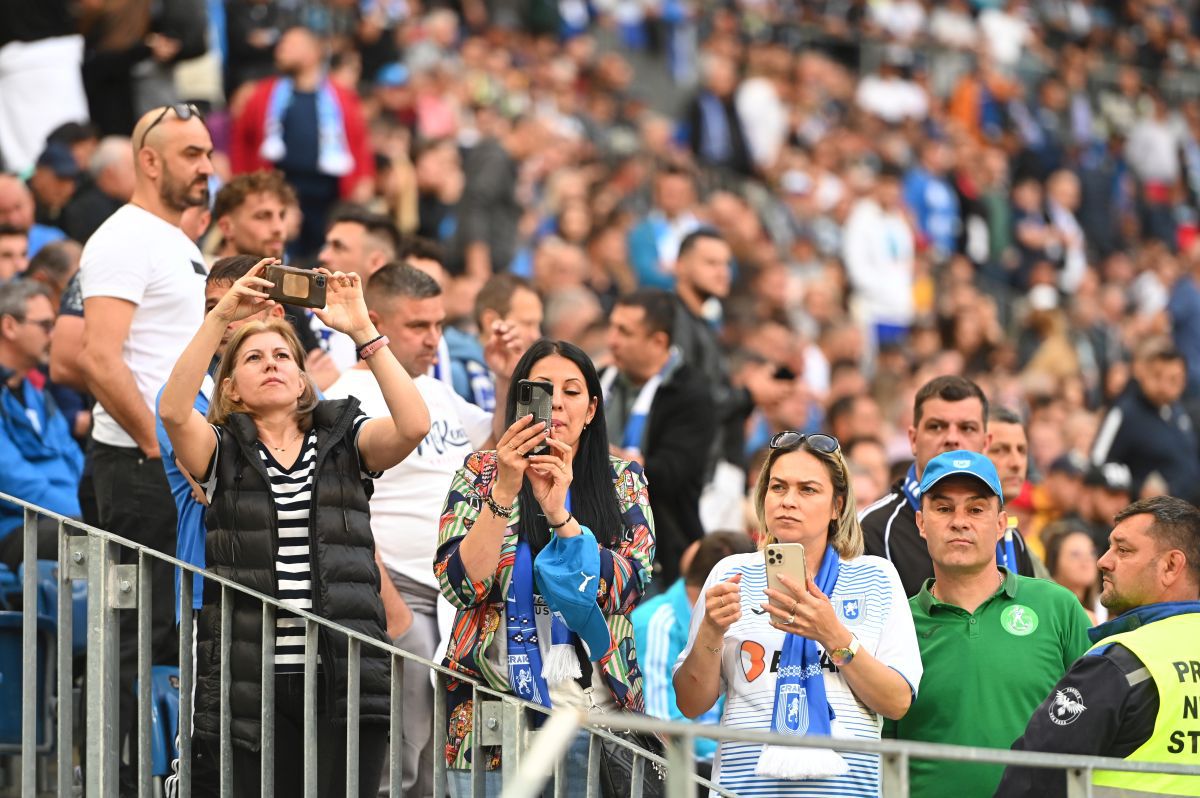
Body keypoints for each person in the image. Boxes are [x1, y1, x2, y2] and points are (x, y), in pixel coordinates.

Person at [159, 262, 429, 797]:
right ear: (231, 388)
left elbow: (413, 425)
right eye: (254, 358)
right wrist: (222, 319)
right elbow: (172, 411)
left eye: (283, 355)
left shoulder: (344, 437)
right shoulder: (223, 449)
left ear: (304, 379)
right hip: (250, 680)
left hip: (343, 675)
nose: (272, 364)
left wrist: (363, 333)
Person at [325, 262, 519, 798]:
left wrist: (504, 377)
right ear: (375, 320)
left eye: (438, 324)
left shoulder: (432, 390)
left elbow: (491, 453)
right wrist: (391, 605)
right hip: (399, 591)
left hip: (458, 593)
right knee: (400, 762)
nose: (434, 339)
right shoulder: (343, 396)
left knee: (446, 764)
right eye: (417, 327)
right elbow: (339, 510)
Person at [434, 339, 655, 796]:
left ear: (592, 409)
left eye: (572, 391)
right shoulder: (479, 473)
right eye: (543, 388)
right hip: (489, 720)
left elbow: (627, 588)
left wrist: (560, 517)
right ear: (520, 399)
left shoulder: (623, 481)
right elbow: (460, 586)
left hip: (596, 719)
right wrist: (505, 490)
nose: (556, 401)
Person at [77, 104, 213, 787]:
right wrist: (156, 446)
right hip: (140, 463)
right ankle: (123, 777)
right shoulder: (124, 237)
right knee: (146, 634)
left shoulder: (173, 241)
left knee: (174, 632)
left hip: (171, 459)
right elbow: (97, 358)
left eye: (209, 151)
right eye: (193, 153)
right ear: (151, 160)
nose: (208, 166)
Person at [674, 431, 922, 796]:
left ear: (838, 506)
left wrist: (833, 636)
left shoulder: (876, 576)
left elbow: (898, 702)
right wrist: (711, 632)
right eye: (778, 487)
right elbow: (691, 703)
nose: (788, 501)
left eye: (807, 489)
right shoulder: (730, 573)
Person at [884, 450, 1091, 798]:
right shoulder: (895, 622)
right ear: (921, 523)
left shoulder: (1058, 606)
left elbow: (1096, 720)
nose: (959, 521)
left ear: (1000, 524)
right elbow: (883, 746)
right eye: (944, 508)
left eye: (976, 509)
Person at [996, 496, 1200, 797]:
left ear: (1171, 566)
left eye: (1124, 550)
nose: (1103, 561)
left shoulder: (1120, 662)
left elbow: (1033, 778)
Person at [861, 376, 1037, 597]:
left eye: (967, 428)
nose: (952, 438)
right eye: (936, 427)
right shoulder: (873, 530)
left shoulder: (1010, 537)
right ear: (913, 439)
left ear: (986, 443)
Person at [671, 228, 791, 532]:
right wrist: (749, 393)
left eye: (726, 264)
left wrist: (749, 395)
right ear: (681, 265)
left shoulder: (704, 326)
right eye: (710, 263)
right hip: (699, 475)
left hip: (718, 471)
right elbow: (688, 402)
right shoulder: (674, 320)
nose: (722, 272)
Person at [602, 288, 715, 586]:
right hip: (597, 540)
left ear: (658, 342)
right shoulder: (600, 380)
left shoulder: (691, 393)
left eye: (624, 332)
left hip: (660, 557)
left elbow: (672, 474)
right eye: (611, 327)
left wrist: (601, 455)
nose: (611, 340)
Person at [231, 27, 374, 257]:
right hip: (279, 188)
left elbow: (358, 142)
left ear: (314, 52)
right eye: (281, 45)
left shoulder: (342, 97)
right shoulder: (263, 93)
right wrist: (244, 184)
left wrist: (364, 179)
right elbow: (242, 142)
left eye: (290, 45)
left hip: (329, 196)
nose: (281, 50)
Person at [631, 531, 755, 766]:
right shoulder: (658, 623)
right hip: (678, 772)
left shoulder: (734, 619)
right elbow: (663, 723)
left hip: (714, 762)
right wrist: (732, 755)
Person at [0, 280, 83, 570]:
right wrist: (83, 516)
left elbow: (74, 457)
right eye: (46, 325)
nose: (53, 336)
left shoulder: (39, 396)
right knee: (97, 539)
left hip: (70, 516)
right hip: (16, 527)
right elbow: (13, 480)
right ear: (9, 327)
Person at [1091, 338, 1200, 503]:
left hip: (1187, 511)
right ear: (1143, 373)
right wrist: (1137, 487)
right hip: (1149, 515)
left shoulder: (1177, 410)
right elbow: (1098, 463)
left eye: (1174, 379)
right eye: (1158, 376)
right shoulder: (1125, 412)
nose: (1165, 385)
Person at [443, 272, 543, 412]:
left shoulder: (535, 370)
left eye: (538, 324)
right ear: (491, 321)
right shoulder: (455, 373)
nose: (536, 335)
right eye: (527, 323)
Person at [1044, 526, 1103, 624]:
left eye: (1092, 553)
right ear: (1054, 563)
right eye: (1075, 554)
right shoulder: (1045, 610)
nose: (1087, 560)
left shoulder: (1104, 609)